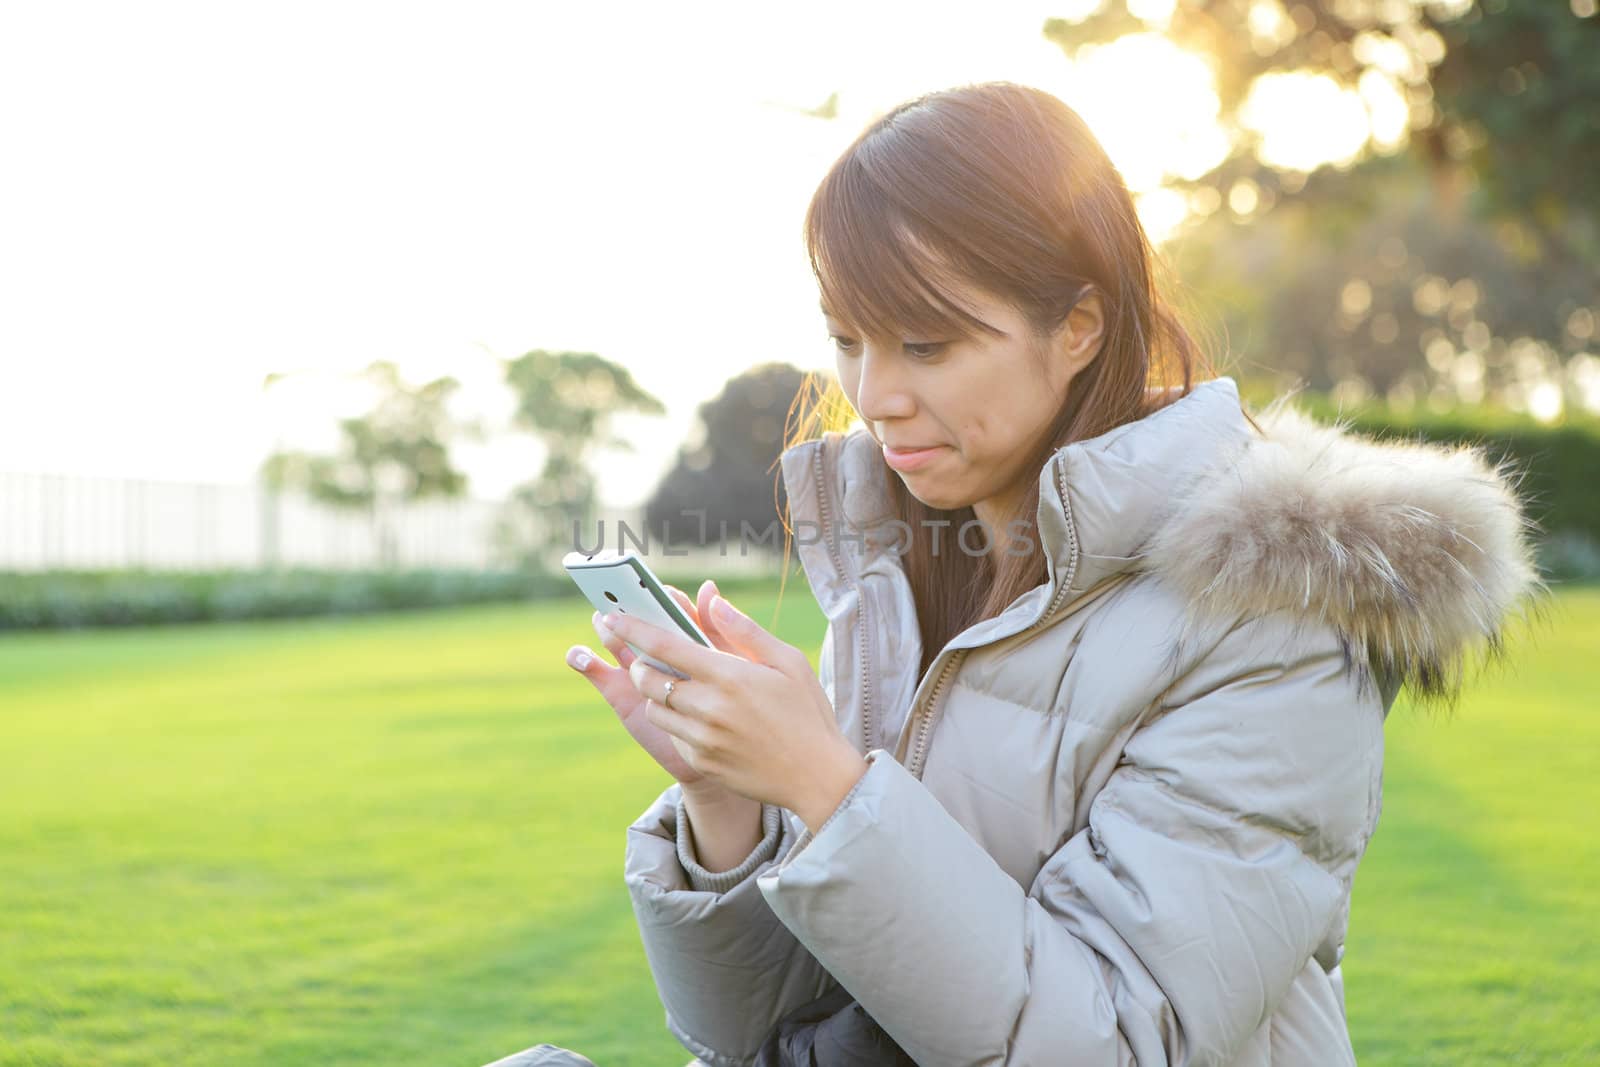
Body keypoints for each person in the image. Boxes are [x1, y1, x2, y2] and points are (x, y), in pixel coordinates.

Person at [526, 82, 1543, 1066]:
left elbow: (1118, 1042)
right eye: (847, 339)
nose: (873, 396)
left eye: (926, 342)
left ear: (1078, 328)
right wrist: (725, 801)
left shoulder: (1268, 618)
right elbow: (755, 1031)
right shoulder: (897, 577)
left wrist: (825, 785)